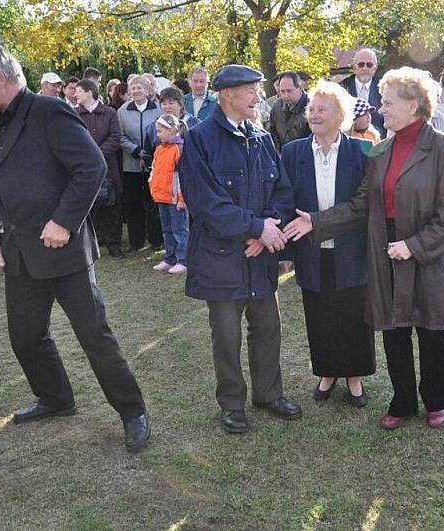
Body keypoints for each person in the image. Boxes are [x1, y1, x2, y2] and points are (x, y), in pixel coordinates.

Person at [0, 39, 149, 452]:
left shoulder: (49, 111)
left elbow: (91, 167)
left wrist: (63, 221)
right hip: (19, 254)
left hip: (65, 254)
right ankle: (55, 397)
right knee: (25, 337)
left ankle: (132, 411)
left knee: (94, 337)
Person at [284, 66, 444, 430]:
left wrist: (413, 246)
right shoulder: (380, 150)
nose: (381, 109)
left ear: (414, 105)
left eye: (387, 102)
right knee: (394, 331)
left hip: (428, 253)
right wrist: (315, 222)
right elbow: (361, 203)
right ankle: (402, 402)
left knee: (431, 331)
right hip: (386, 251)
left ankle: (436, 400)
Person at [179, 64, 301, 434]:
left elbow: (282, 192)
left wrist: (266, 230)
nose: (259, 97)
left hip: (257, 257)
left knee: (268, 328)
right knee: (226, 336)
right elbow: (207, 204)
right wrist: (255, 228)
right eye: (252, 90)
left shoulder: (262, 137)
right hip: (221, 259)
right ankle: (231, 403)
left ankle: (269, 394)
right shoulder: (200, 139)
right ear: (227, 94)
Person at [280, 81, 375, 408]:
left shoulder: (363, 151)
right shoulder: (292, 152)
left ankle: (355, 377)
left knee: (353, 314)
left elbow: (364, 205)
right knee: (319, 314)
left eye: (323, 109)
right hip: (310, 251)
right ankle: (327, 373)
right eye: (312, 109)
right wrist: (287, 251)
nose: (315, 114)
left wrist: (319, 222)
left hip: (351, 248)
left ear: (341, 115)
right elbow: (285, 202)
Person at [75, 79, 125, 258]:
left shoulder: (109, 112)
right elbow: (73, 138)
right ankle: (92, 244)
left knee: (112, 206)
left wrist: (97, 154)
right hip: (84, 169)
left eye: (79, 91)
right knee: (90, 208)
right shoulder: (74, 114)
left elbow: (115, 136)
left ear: (89, 92)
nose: (75, 94)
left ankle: (114, 244)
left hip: (108, 167)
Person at [117, 75, 163, 252]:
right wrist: (136, 150)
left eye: (139, 88)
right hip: (131, 164)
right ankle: (136, 241)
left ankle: (156, 239)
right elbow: (119, 135)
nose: (135, 91)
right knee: (134, 203)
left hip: (155, 164)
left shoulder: (158, 109)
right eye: (133, 88)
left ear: (147, 90)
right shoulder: (122, 111)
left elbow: (163, 132)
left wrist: (150, 152)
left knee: (153, 202)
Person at [149, 114, 188, 274]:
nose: (157, 135)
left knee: (179, 230)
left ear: (171, 130)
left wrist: (182, 199)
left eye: (160, 131)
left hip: (175, 200)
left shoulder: (179, 149)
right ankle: (170, 258)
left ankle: (183, 259)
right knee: (167, 230)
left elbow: (184, 177)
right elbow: (154, 170)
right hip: (162, 197)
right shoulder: (159, 149)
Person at [340, 48, 384, 133]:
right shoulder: (342, 88)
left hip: (379, 140)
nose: (365, 68)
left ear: (375, 68)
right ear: (354, 67)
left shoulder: (384, 88)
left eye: (369, 65)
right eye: (361, 64)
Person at [269, 71, 311, 149]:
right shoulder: (277, 106)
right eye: (282, 91)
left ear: (299, 88)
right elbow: (272, 132)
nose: (285, 95)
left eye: (289, 91)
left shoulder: (312, 106)